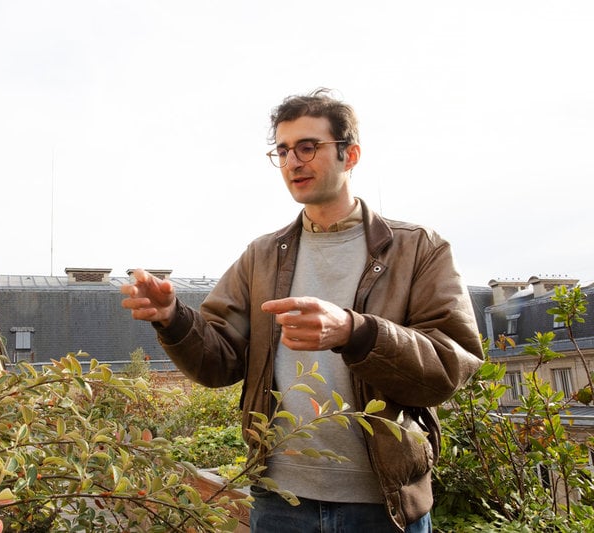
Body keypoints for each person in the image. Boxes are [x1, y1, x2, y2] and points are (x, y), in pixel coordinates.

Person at [120, 88, 484, 533]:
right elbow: (220, 363)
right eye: (283, 150)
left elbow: (450, 364)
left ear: (350, 155)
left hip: (382, 506)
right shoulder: (261, 255)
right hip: (279, 502)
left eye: (308, 147)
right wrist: (173, 317)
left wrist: (356, 331)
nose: (293, 161)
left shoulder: (419, 248)